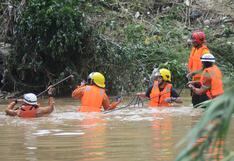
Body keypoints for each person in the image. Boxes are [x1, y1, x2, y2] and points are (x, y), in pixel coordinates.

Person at [187, 30, 210, 106]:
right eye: (192, 39)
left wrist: (192, 73)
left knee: (203, 105)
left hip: (203, 83)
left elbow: (207, 68)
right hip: (194, 81)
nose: (192, 41)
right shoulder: (194, 49)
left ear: (200, 40)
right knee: (195, 105)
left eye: (194, 39)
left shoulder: (205, 52)